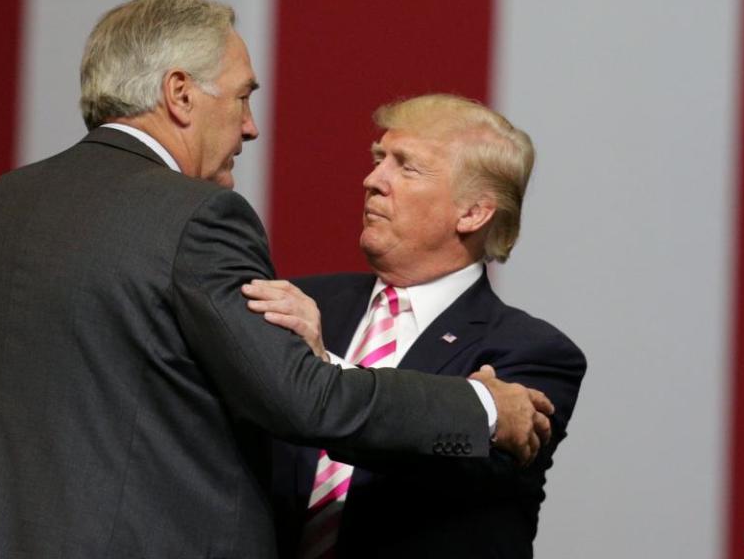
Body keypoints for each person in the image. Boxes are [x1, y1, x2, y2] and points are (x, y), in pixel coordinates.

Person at [0, 0, 554, 559]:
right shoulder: (198, 218)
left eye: (406, 166)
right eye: (243, 96)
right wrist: (481, 405)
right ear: (180, 95)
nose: (250, 125)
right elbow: (300, 398)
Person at [244, 95, 586, 558]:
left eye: (406, 167)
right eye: (378, 158)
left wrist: (318, 367)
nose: (372, 180)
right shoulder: (303, 303)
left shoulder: (533, 355)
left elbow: (448, 467)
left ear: (472, 213)